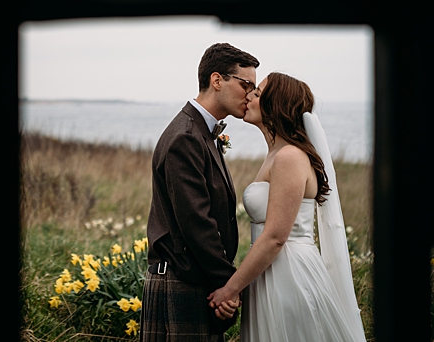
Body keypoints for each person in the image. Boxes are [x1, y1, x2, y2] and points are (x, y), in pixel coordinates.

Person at [206, 73, 365, 341]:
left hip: (289, 275)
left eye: (257, 94)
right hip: (270, 272)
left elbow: (276, 237)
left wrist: (231, 289)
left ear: (275, 105)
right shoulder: (276, 154)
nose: (248, 97)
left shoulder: (289, 157)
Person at [139, 43, 255, 340]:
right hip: (180, 280)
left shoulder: (202, 132)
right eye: (246, 85)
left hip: (194, 277)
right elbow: (196, 222)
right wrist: (229, 285)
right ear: (217, 81)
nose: (251, 95)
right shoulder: (186, 137)